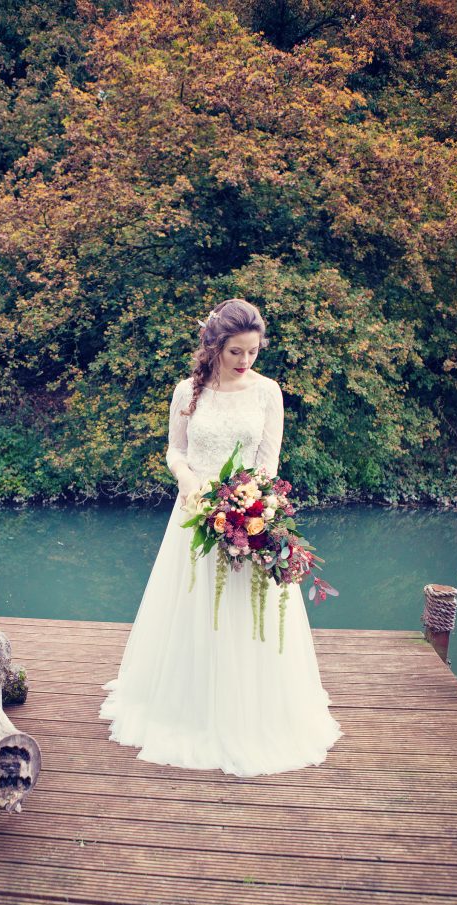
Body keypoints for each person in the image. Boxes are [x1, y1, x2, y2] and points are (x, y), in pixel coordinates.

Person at [98, 298, 343, 776]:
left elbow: (269, 463)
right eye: (236, 352)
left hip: (250, 516)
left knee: (247, 610)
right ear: (214, 346)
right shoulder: (187, 391)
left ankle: (253, 713)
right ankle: (185, 709)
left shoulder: (268, 392)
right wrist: (189, 482)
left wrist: (256, 505)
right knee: (193, 608)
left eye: (252, 352)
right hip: (194, 515)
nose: (245, 360)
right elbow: (175, 451)